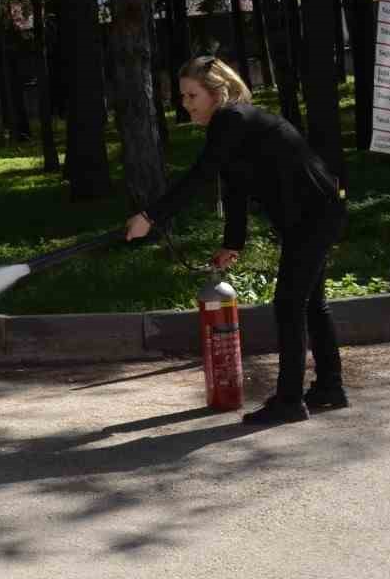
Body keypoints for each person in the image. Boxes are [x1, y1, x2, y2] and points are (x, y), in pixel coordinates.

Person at [125, 55, 350, 425]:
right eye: (182, 97)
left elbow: (200, 175)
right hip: (317, 211)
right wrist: (233, 243)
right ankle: (330, 386)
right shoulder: (235, 123)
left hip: (314, 215)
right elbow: (234, 187)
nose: (185, 105)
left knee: (290, 304)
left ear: (216, 93)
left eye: (192, 96)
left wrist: (150, 217)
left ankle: (290, 401)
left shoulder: (231, 119)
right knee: (311, 303)